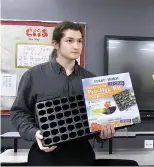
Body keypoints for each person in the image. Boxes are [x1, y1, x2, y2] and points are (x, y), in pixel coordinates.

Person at [10, 21, 116, 166]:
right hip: (45, 155)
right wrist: (35, 133)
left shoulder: (92, 80)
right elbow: (19, 112)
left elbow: (99, 118)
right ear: (56, 44)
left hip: (81, 156)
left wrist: (104, 134)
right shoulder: (33, 76)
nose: (76, 46)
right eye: (69, 40)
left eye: (79, 41)